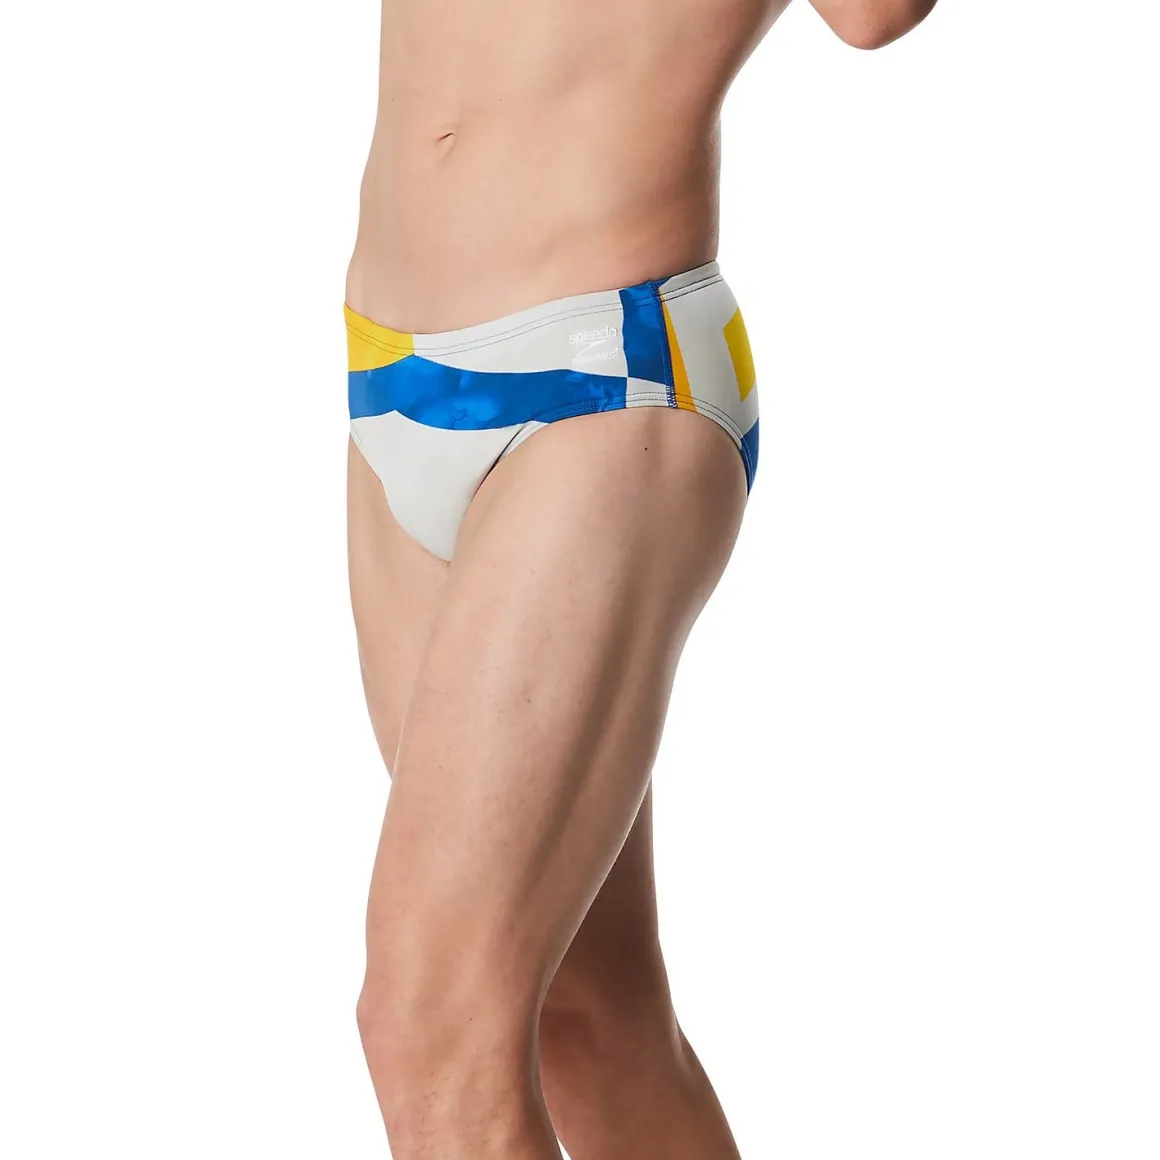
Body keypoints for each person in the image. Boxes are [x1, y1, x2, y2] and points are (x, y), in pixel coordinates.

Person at [343, 0, 936, 1155]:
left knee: (429, 1027)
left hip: (603, 375)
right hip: (391, 371)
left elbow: (873, 16)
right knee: (590, 1016)